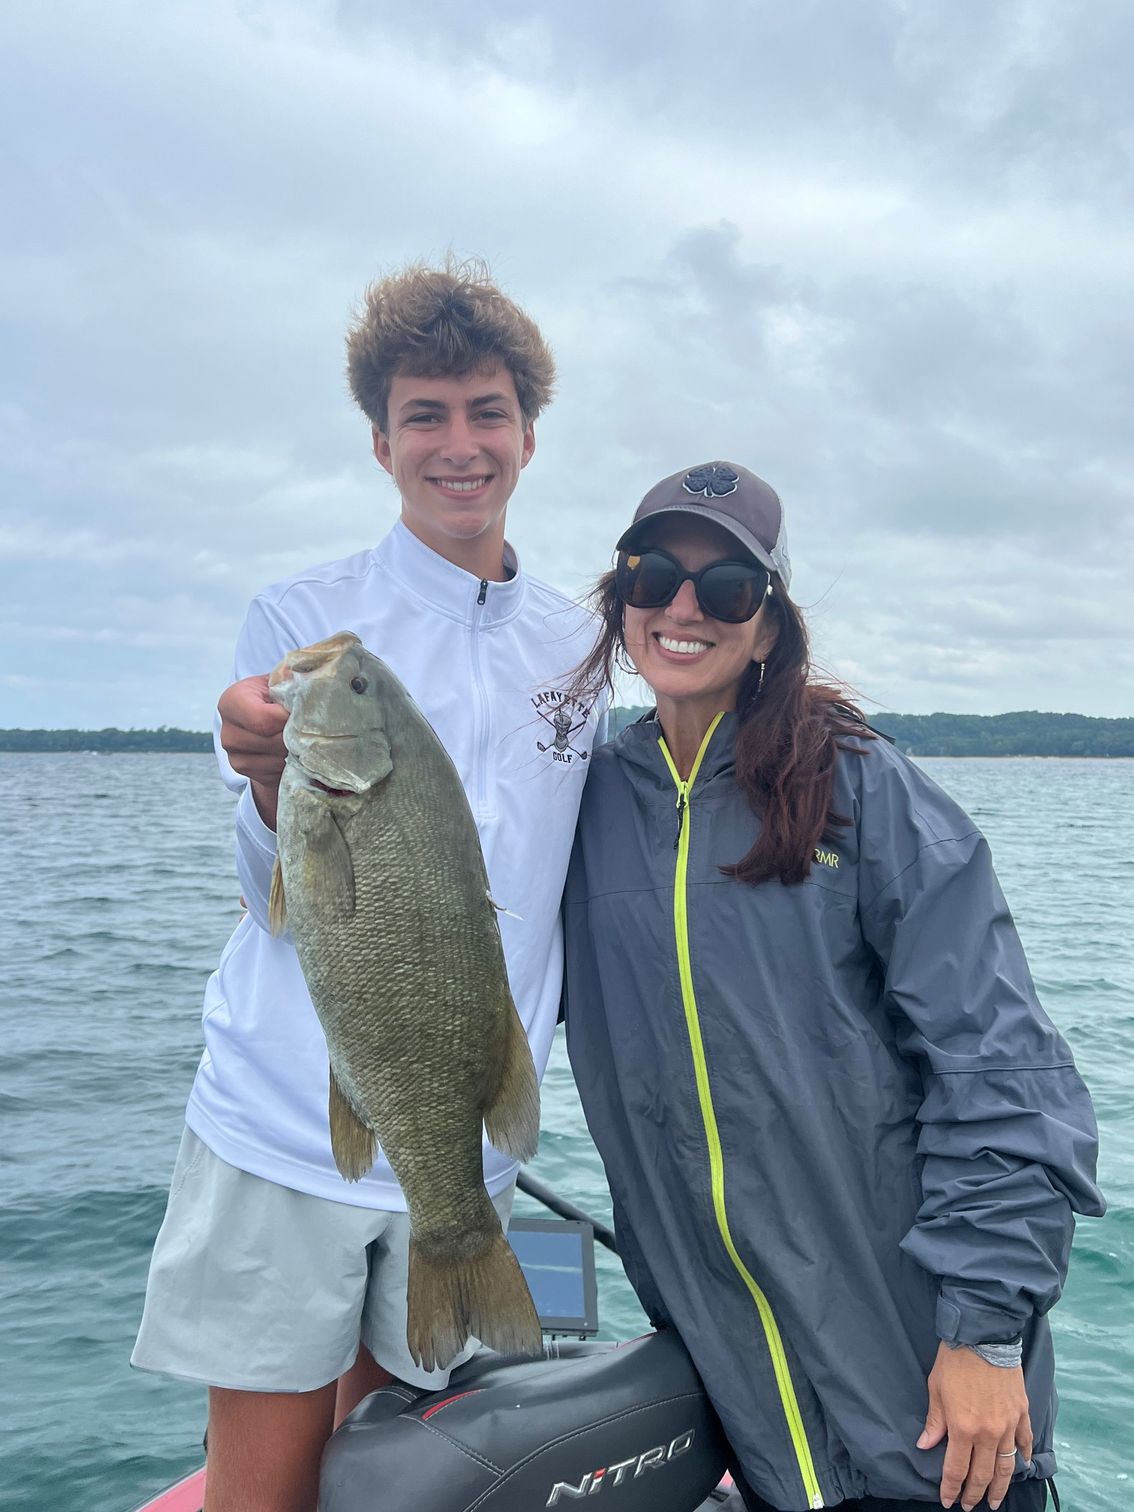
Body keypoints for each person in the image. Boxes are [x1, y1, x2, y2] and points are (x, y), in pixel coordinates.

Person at [131, 259, 605, 1512]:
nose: (461, 444)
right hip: (289, 1125)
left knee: (403, 1479)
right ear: (382, 440)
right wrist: (257, 778)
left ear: (530, 431)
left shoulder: (580, 643)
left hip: (467, 1139)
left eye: (487, 411)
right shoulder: (305, 624)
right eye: (426, 416)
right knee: (271, 1486)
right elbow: (270, 895)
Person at [562, 461, 1104, 1512]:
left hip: (933, 1418)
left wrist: (985, 1332)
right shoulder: (584, 813)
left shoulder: (870, 793)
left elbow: (1008, 1078)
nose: (683, 606)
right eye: (654, 573)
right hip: (755, 1432)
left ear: (766, 628)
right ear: (620, 596)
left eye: (725, 589)